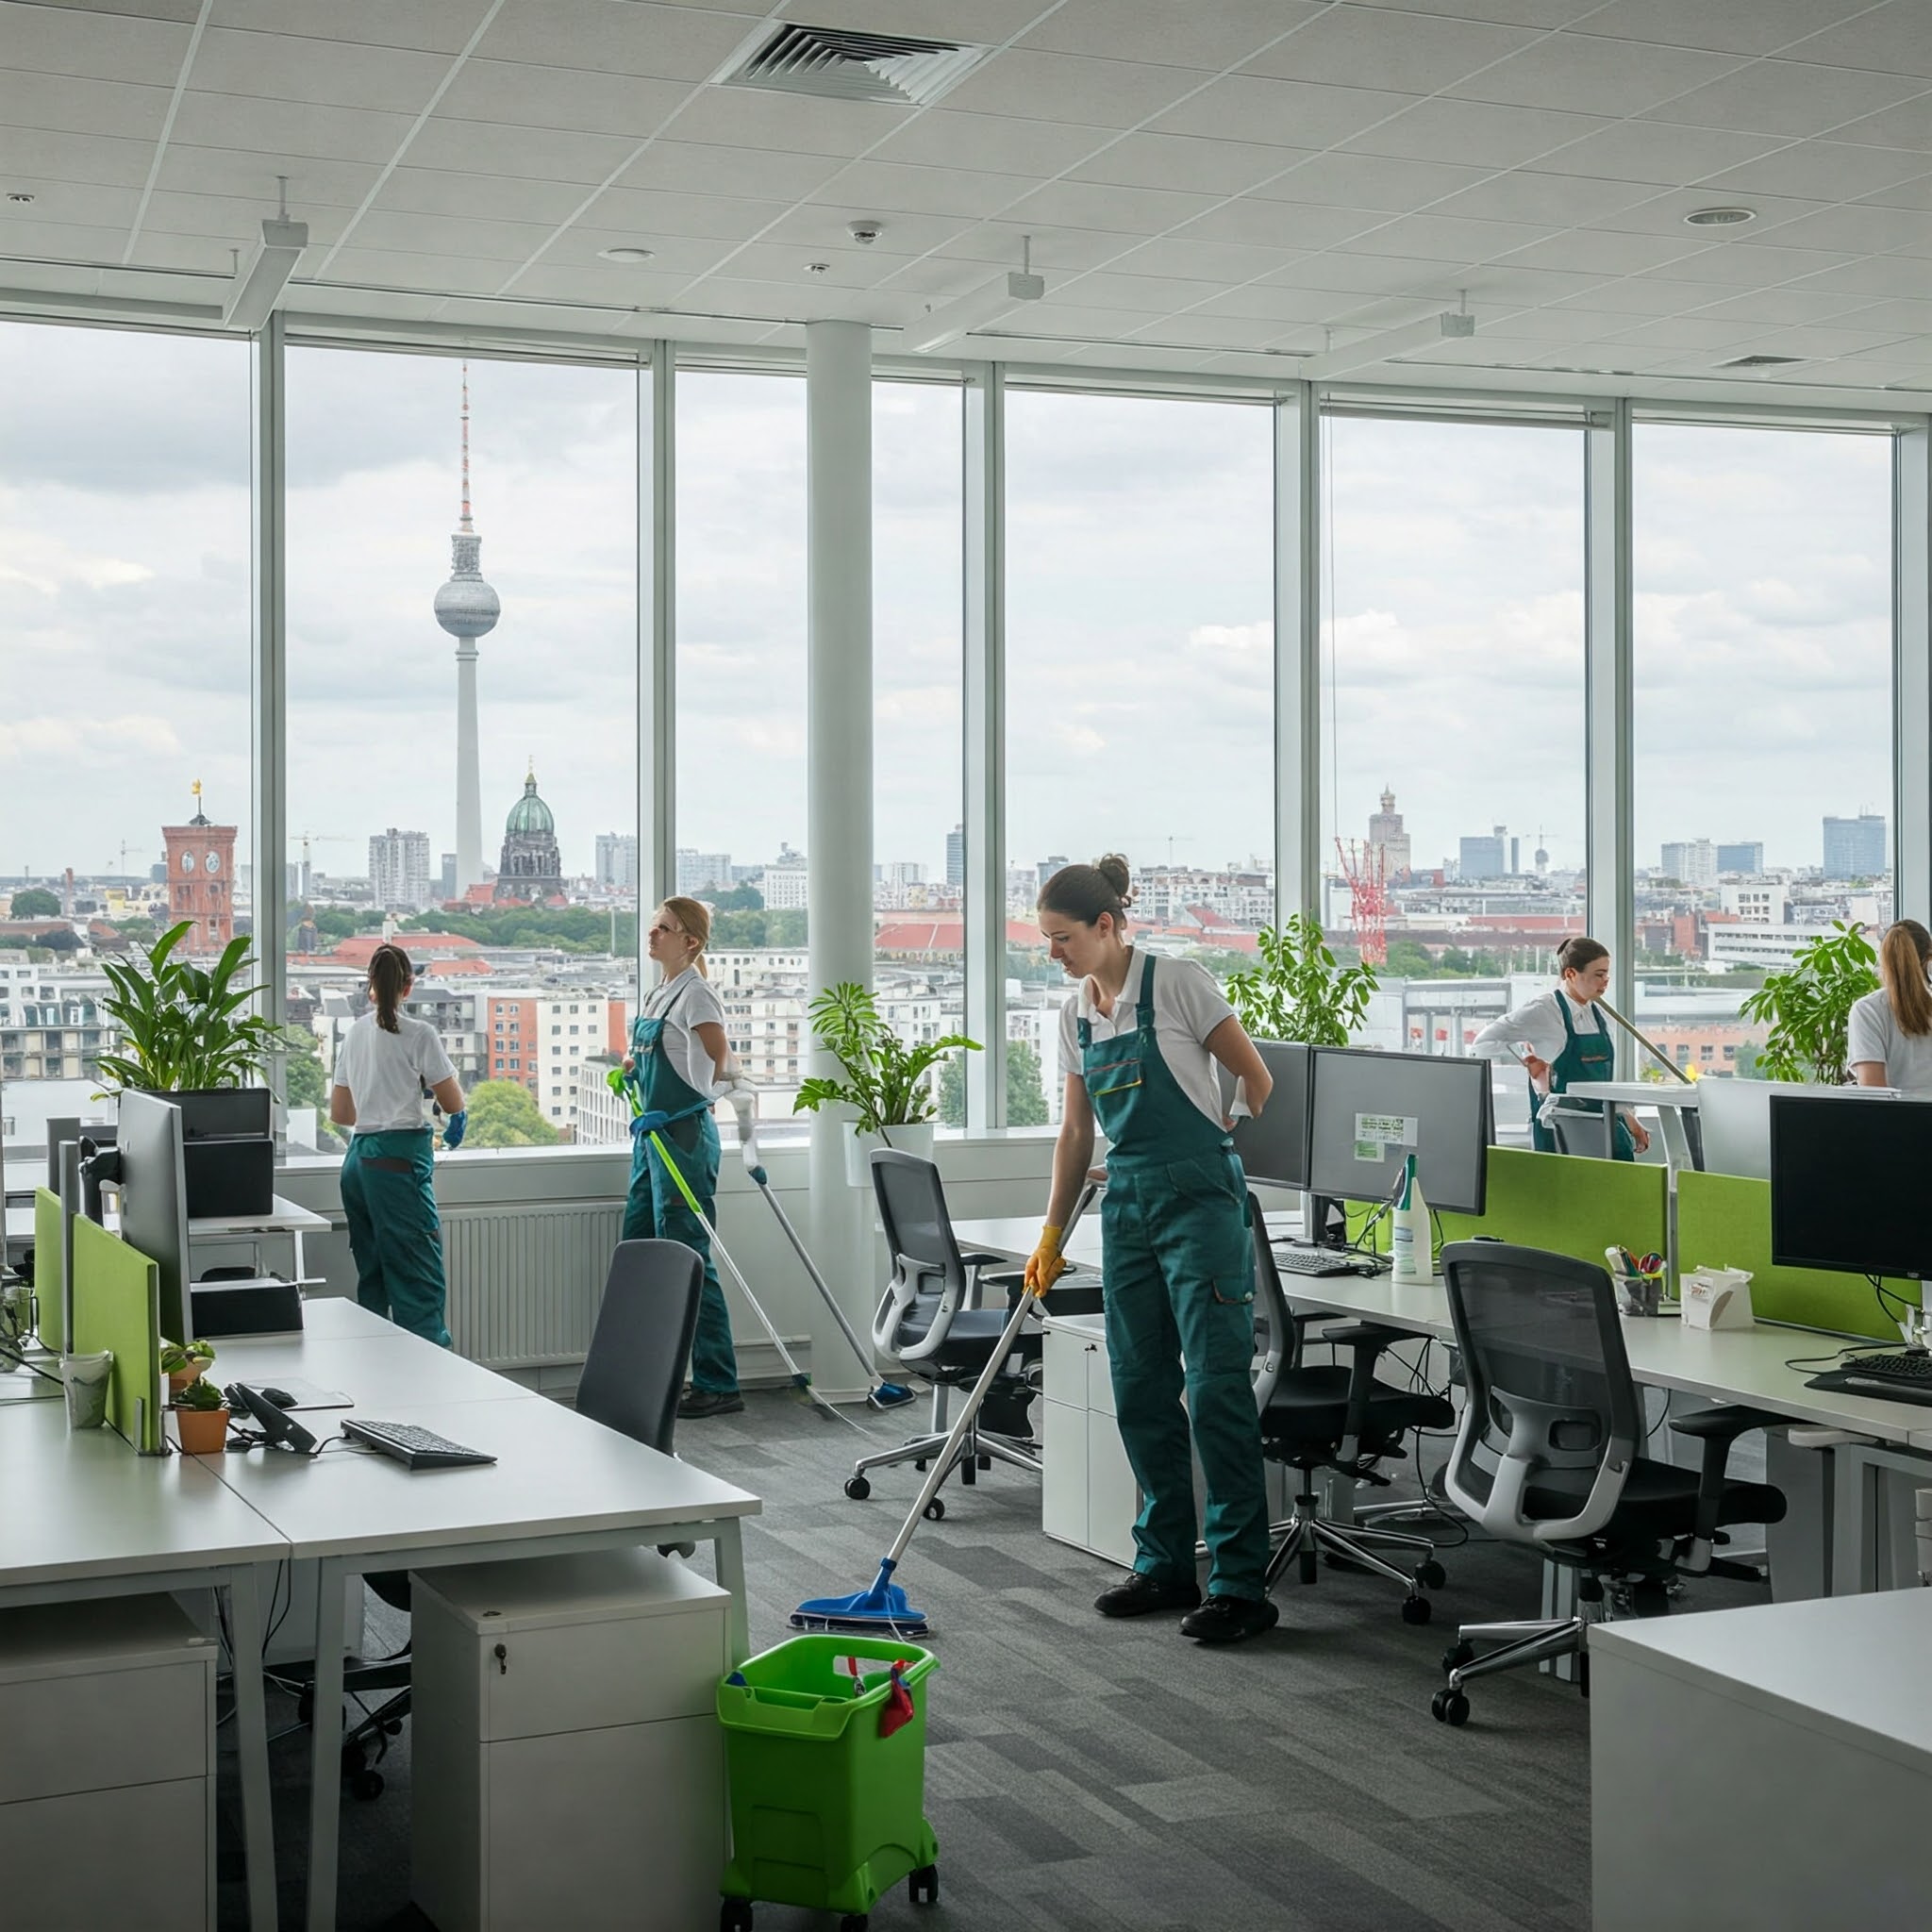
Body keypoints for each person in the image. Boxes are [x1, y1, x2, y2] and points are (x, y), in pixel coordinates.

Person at [1025, 855, 1279, 1645]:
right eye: (1046, 941)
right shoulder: (1075, 1014)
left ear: (1106, 926)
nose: (1053, 953)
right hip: (1126, 1205)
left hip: (1199, 1199)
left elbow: (1256, 1078)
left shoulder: (1178, 983)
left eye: (1063, 938)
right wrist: (1052, 1232)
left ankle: (1239, 1583)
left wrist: (1217, 1136)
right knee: (1138, 1388)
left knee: (1215, 1393)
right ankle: (1165, 1562)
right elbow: (1075, 1133)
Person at [623, 896, 741, 1420]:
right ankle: (650, 1369)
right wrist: (633, 1064)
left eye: (662, 929)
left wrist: (692, 1103)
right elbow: (667, 1054)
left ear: (689, 941)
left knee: (687, 1258)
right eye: (652, 928)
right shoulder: (658, 993)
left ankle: (718, 1381)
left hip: (684, 1139)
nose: (652, 936)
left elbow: (725, 1067)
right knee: (642, 1249)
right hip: (650, 1141)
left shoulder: (698, 996)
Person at [330, 943, 466, 1347]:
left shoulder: (353, 1033)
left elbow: (342, 1113)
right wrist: (411, 1094)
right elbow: (453, 1102)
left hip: (357, 1163)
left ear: (370, 986)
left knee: (373, 1278)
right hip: (397, 1163)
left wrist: (378, 1098)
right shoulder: (419, 1033)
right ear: (409, 986)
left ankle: (377, 1379)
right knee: (416, 1278)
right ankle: (427, 1385)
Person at [1472, 936, 1649, 1160]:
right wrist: (1527, 1062)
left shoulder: (1599, 1014)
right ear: (1571, 974)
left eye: (1607, 974)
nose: (1606, 981)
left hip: (1604, 1129)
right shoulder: (1543, 1011)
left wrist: (1629, 1118)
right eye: (1598, 974)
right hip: (1561, 1134)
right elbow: (1483, 1043)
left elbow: (1602, 1086)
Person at [1849, 919, 1932, 1093]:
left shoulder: (1867, 1011)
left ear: (1883, 957)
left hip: (1897, 1119)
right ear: (1929, 959)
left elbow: (1873, 1092)